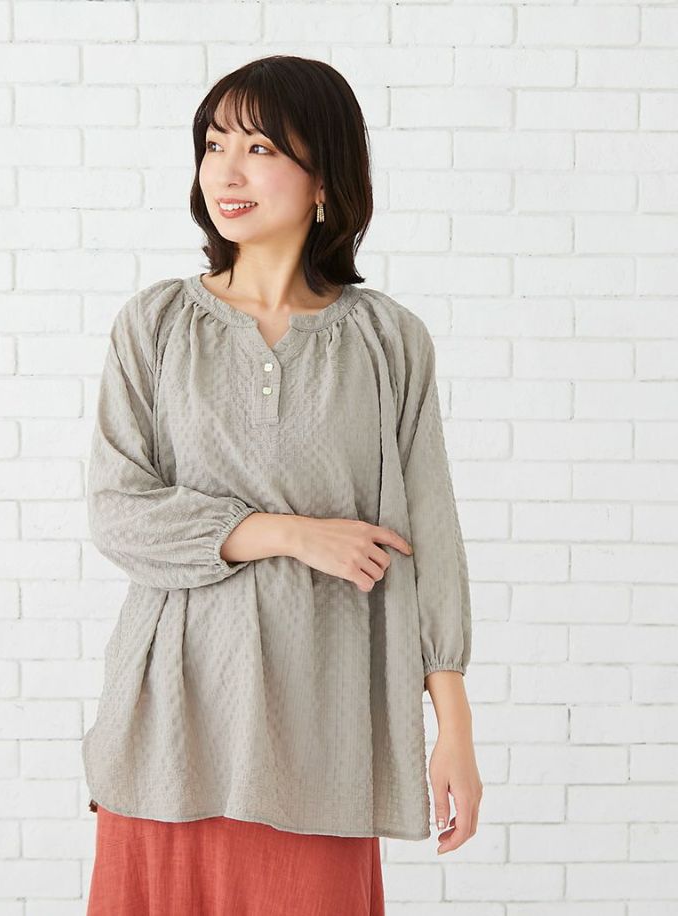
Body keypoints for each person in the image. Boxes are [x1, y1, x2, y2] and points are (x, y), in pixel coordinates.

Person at [83, 54, 482, 915]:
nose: (226, 170)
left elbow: (430, 536)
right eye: (214, 144)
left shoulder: (388, 341)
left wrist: (453, 726)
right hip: (172, 726)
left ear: (324, 179)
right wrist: (290, 533)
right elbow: (118, 512)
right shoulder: (154, 325)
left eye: (259, 148)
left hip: (323, 731)